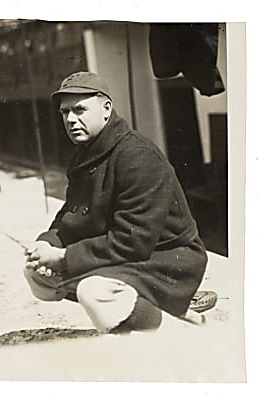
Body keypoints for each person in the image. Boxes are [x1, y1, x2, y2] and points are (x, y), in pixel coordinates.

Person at [24, 71, 208, 334]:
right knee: (38, 275)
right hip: (125, 251)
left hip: (166, 257)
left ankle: (175, 326)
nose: (71, 120)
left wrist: (65, 257)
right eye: (65, 113)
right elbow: (72, 212)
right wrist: (47, 243)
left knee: (95, 292)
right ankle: (149, 308)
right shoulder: (86, 152)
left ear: (106, 109)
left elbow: (134, 240)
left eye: (80, 110)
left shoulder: (136, 156)